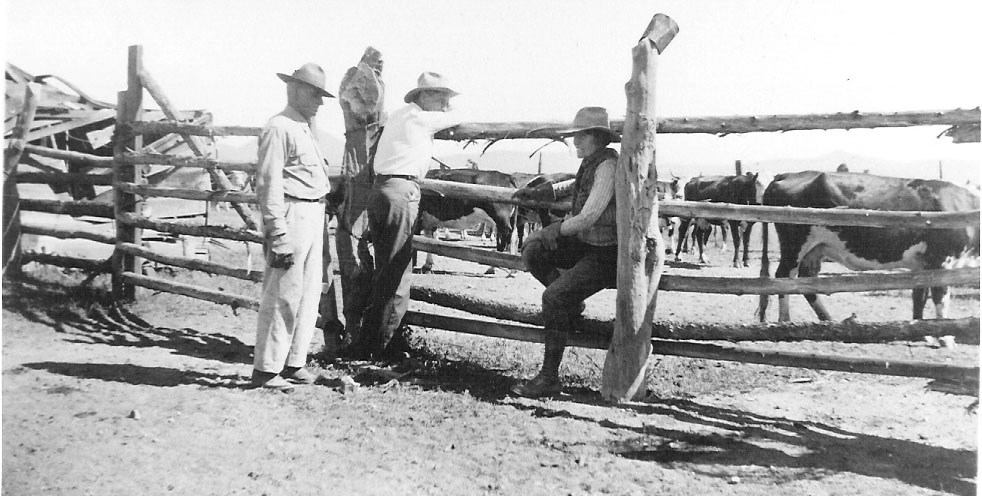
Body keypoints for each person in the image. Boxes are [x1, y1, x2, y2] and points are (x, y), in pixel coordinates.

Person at [510, 106, 620, 398]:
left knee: (553, 296)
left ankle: (549, 377)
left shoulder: (608, 165)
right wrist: (542, 193)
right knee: (533, 249)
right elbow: (575, 185)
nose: (575, 142)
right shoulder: (593, 161)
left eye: (581, 136)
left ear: (597, 136)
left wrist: (553, 230)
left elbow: (588, 216)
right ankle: (571, 306)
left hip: (606, 253)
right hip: (587, 245)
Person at [354, 72, 462, 361]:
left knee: (384, 268)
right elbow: (458, 117)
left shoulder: (402, 115)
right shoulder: (418, 117)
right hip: (402, 191)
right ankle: (382, 348)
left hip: (383, 189)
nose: (444, 103)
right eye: (441, 97)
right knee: (397, 271)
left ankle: (369, 341)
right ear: (424, 97)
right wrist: (451, 111)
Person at [252, 63, 335, 390]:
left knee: (309, 293)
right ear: (295, 89)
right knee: (282, 294)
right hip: (291, 213)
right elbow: (268, 184)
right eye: (315, 93)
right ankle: (265, 370)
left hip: (314, 213)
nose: (320, 101)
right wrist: (279, 233)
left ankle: (293, 363)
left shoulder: (303, 126)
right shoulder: (279, 127)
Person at [327, 47, 386, 357]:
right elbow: (364, 109)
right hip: (359, 166)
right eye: (376, 63)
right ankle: (353, 333)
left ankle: (358, 330)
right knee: (352, 249)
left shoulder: (364, 82)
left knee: (358, 248)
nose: (380, 68)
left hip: (367, 167)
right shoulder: (357, 81)